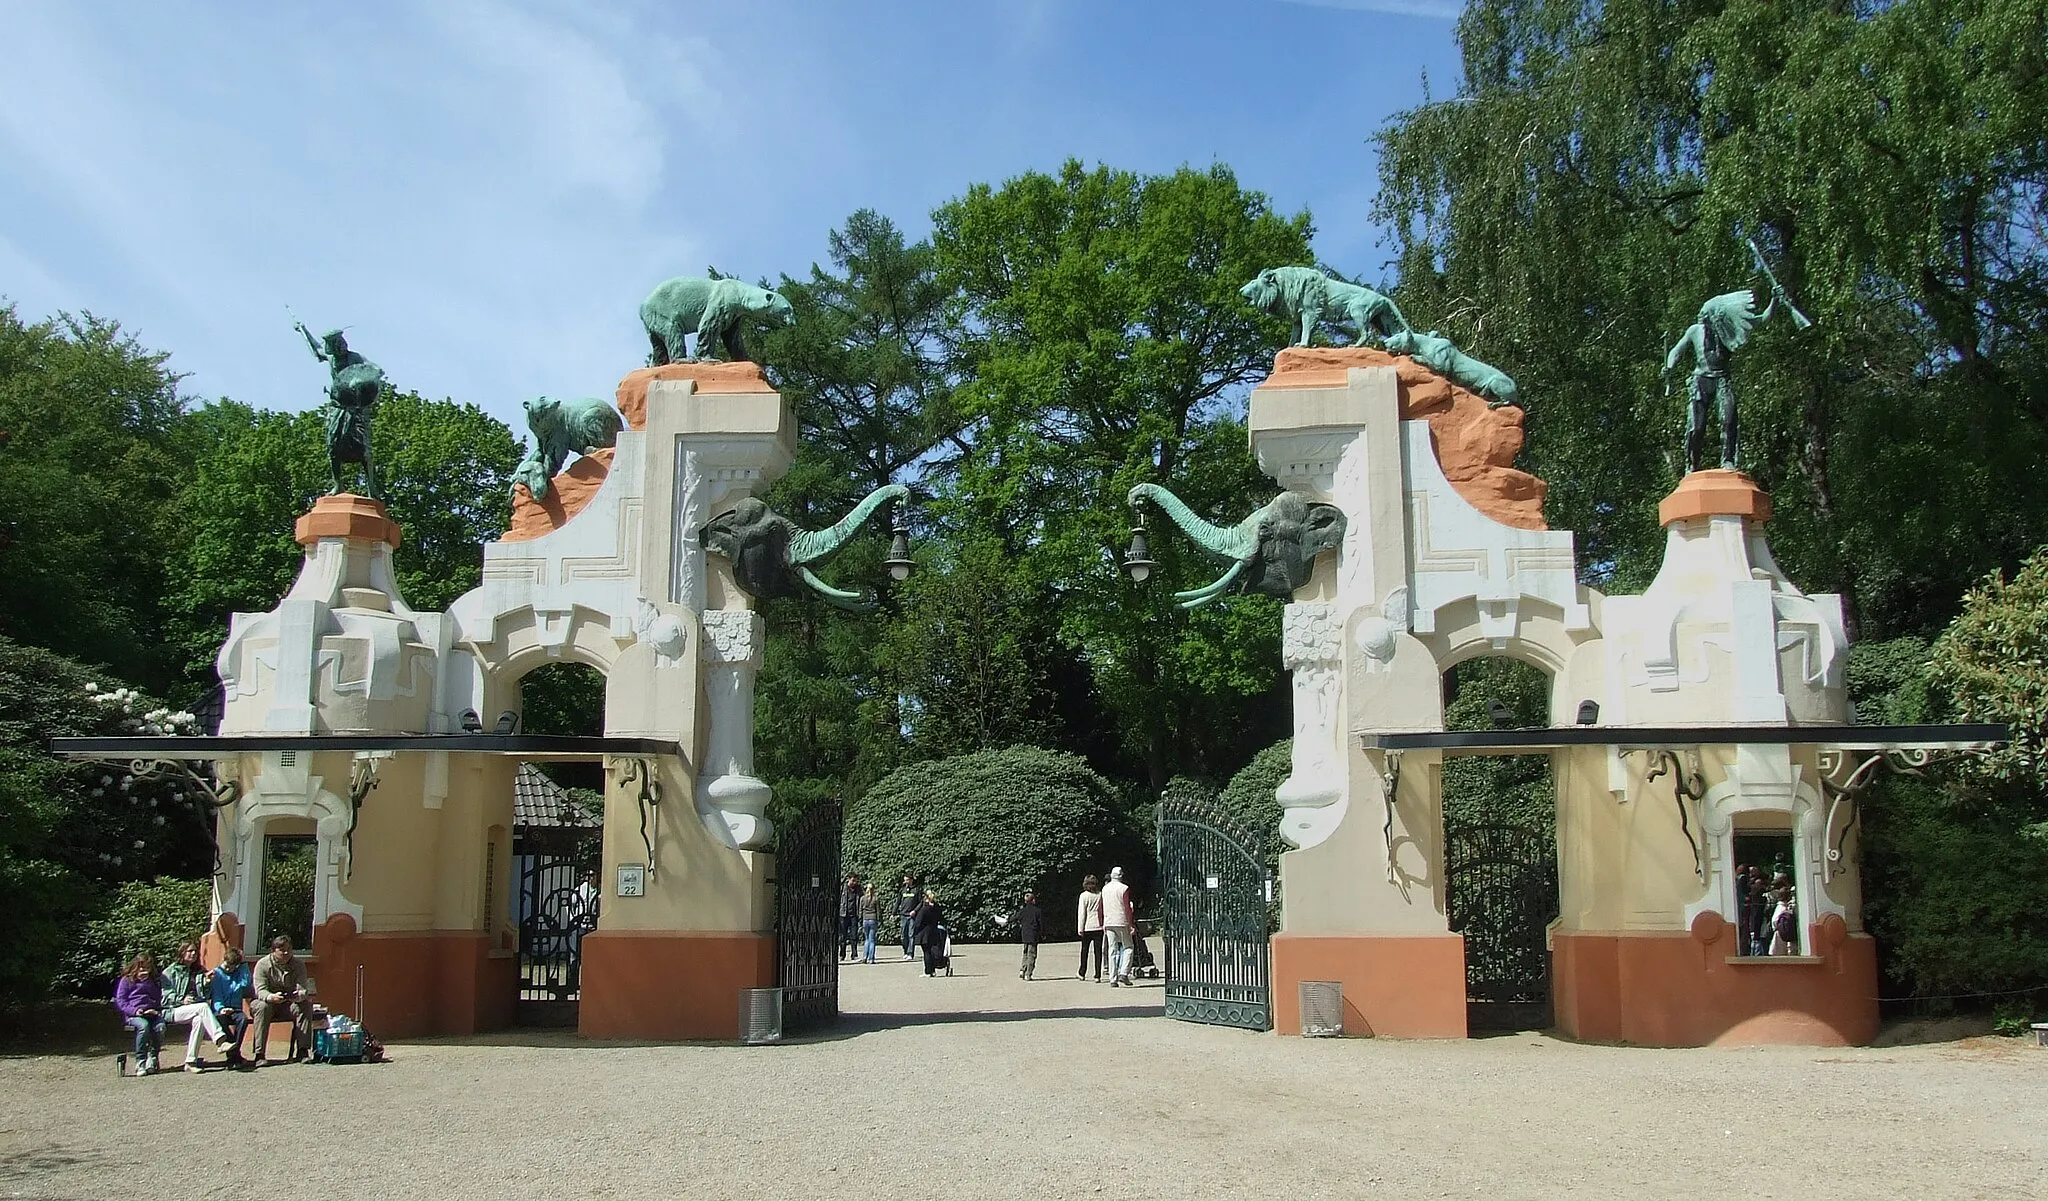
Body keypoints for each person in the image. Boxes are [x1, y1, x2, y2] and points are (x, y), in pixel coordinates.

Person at [160, 940, 234, 1071]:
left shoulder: (199, 971)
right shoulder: (170, 972)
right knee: (203, 1007)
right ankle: (220, 1040)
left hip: (195, 1009)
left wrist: (207, 983)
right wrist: (181, 1000)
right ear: (182, 953)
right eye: (190, 951)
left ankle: (191, 1061)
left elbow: (205, 995)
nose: (193, 953)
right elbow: (166, 995)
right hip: (173, 1010)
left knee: (199, 1020)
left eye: (195, 951)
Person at [249, 935, 313, 1065]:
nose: (286, 952)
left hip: (288, 1003)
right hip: (265, 1001)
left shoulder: (298, 965)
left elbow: (302, 988)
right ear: (273, 950)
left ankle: (302, 1050)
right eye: (282, 949)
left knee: (304, 1005)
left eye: (289, 949)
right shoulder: (263, 964)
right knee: (262, 1007)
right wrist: (271, 997)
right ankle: (259, 1054)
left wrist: (299, 995)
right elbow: (260, 990)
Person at [113, 953, 165, 1076]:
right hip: (133, 1015)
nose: (144, 970)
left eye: (147, 968)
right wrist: (135, 1011)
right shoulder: (126, 981)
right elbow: (121, 1001)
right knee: (144, 1026)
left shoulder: (152, 981)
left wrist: (153, 1009)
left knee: (160, 1027)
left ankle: (152, 1058)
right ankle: (140, 1061)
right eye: (141, 967)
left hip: (150, 1012)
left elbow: (157, 998)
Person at [208, 944, 254, 1068]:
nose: (228, 969)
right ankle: (235, 1056)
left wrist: (243, 965)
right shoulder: (217, 973)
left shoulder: (239, 972)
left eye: (232, 967)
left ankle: (233, 1054)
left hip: (235, 1009)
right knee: (220, 1019)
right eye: (227, 966)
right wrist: (221, 1008)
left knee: (243, 1020)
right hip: (220, 1009)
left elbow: (246, 983)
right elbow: (216, 995)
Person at [1102, 866, 1136, 987]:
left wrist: (1102, 922)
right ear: (1121, 876)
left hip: (1109, 922)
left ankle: (1112, 979)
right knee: (1128, 947)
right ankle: (1124, 973)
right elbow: (1127, 908)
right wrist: (1131, 924)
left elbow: (1100, 907)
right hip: (1121, 921)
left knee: (1112, 949)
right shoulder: (1124, 888)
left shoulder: (1105, 888)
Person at [912, 889, 948, 978]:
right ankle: (933, 971)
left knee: (926, 952)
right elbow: (941, 918)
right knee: (931, 951)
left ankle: (928, 971)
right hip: (934, 931)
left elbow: (918, 922)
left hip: (924, 933)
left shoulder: (924, 909)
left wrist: (915, 930)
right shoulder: (937, 907)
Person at [1010, 890, 1045, 981]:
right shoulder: (1037, 911)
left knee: (1025, 953)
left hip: (1024, 935)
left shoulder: (1022, 911)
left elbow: (1014, 918)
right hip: (1033, 935)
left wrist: (1006, 920)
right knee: (1032, 954)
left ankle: (1023, 969)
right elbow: (1040, 924)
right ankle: (1028, 973)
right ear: (1033, 900)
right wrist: (1042, 934)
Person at [1076, 874, 1105, 981]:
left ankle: (1082, 972)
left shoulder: (1084, 896)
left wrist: (1080, 928)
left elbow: (1082, 913)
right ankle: (1097, 975)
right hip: (1098, 926)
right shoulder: (1100, 895)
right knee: (1098, 952)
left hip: (1087, 926)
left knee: (1084, 950)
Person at [839, 874, 862, 962]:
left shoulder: (859, 888)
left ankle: (854, 955)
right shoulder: (843, 887)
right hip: (843, 914)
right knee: (843, 936)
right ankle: (842, 955)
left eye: (856, 881)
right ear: (849, 880)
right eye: (853, 880)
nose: (854, 882)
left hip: (854, 915)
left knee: (854, 936)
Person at [897, 873, 920, 961]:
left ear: (911, 880)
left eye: (907, 880)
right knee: (903, 935)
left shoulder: (917, 889)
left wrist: (915, 911)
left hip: (912, 916)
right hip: (903, 915)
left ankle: (911, 953)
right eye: (905, 880)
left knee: (911, 935)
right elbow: (898, 901)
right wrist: (893, 913)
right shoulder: (902, 889)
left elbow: (920, 903)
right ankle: (905, 951)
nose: (905, 881)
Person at [858, 882, 880, 965]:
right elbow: (878, 911)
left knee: (866, 939)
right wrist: (879, 920)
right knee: (872, 940)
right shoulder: (875, 899)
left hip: (865, 919)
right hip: (873, 919)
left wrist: (860, 919)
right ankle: (871, 958)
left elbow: (860, 910)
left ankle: (864, 957)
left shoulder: (862, 899)